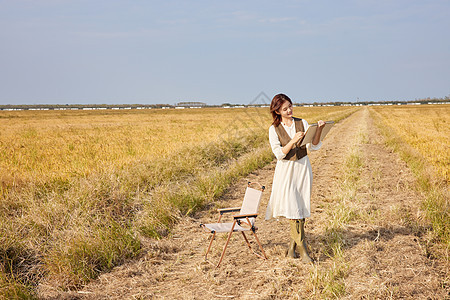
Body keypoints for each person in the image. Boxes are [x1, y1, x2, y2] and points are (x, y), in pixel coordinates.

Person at [265, 93, 325, 262]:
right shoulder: (273, 129)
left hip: (303, 168)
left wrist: (318, 129)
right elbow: (279, 154)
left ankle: (291, 249)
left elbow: (313, 146)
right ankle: (303, 250)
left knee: (299, 207)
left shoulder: (302, 122)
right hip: (286, 171)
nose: (289, 110)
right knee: (293, 209)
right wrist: (292, 141)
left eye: (290, 106)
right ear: (277, 111)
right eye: (285, 109)